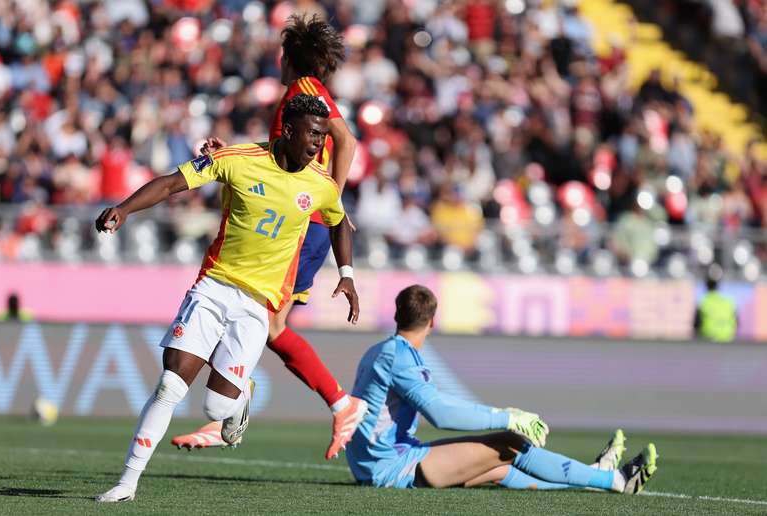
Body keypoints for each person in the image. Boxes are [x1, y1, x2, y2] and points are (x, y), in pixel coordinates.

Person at [95, 94, 359, 503]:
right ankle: (127, 482)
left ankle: (239, 399)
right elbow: (171, 183)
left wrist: (346, 274)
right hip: (214, 286)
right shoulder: (237, 158)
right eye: (312, 134)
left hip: (257, 305)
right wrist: (125, 209)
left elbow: (340, 222)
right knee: (169, 384)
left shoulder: (320, 185)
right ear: (288, 131)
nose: (318, 145)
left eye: (323, 137)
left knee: (216, 411)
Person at [171, 14, 363, 460]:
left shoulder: (307, 90)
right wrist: (232, 153)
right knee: (260, 317)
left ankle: (327, 403)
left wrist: (329, 200)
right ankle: (251, 403)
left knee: (258, 313)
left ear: (289, 57)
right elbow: (278, 152)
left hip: (306, 225)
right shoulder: (298, 99)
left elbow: (347, 140)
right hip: (305, 222)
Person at [346, 285, 658, 493]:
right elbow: (440, 413)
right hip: (387, 467)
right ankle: (615, 480)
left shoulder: (382, 350)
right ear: (432, 322)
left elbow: (437, 403)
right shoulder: (399, 356)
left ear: (397, 314)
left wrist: (503, 415)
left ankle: (594, 476)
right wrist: (506, 417)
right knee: (511, 443)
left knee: (499, 469)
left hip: (382, 459)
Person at [694, 265, 738, 342]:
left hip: (708, 340)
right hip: (728, 340)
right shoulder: (728, 302)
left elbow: (696, 325)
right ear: (718, 285)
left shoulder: (703, 302)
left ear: (706, 285)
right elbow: (737, 322)